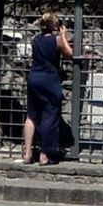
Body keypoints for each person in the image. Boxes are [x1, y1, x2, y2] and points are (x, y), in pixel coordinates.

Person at [24, 13, 79, 163]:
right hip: (49, 81)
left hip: (34, 78)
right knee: (50, 116)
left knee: (31, 116)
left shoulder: (35, 39)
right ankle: (44, 155)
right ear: (55, 26)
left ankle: (27, 153)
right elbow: (70, 54)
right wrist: (64, 36)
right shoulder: (57, 40)